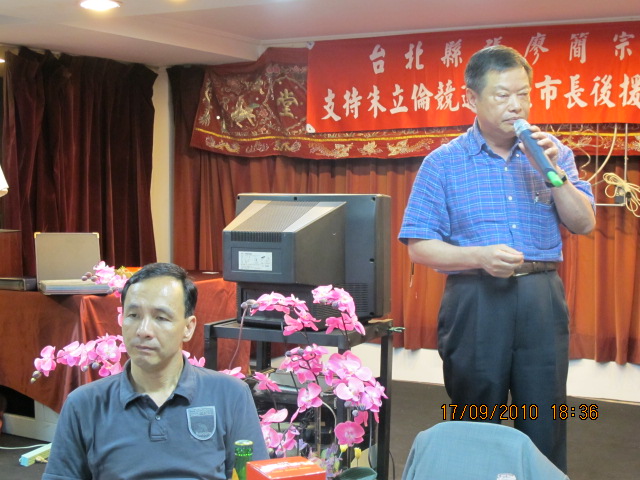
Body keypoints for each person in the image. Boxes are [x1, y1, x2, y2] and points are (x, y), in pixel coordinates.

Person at [399, 45, 595, 473]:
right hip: (475, 296)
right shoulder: (443, 163)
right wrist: (480, 257)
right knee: (474, 415)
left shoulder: (554, 154)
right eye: (502, 95)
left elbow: (583, 223)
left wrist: (552, 171)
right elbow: (419, 246)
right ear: (471, 98)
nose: (516, 106)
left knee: (545, 414)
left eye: (523, 94)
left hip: (541, 295)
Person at [43, 262, 268, 480]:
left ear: (188, 328)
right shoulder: (84, 404)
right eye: (133, 316)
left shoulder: (231, 395)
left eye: (161, 318)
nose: (143, 331)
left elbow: (253, 475)